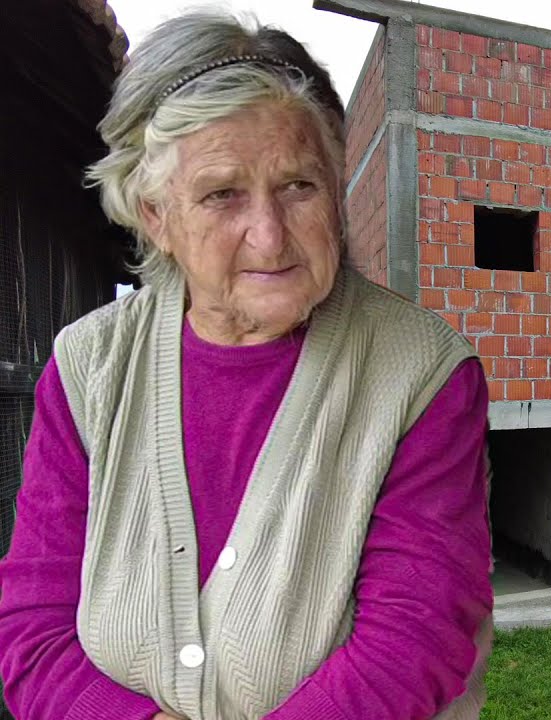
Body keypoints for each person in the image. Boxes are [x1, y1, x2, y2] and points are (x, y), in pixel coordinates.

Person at [0, 12, 493, 720]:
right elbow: (33, 628)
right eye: (222, 193)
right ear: (155, 216)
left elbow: (413, 640)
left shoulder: (421, 373)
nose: (269, 234)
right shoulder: (88, 367)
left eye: (298, 185)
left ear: (335, 185)